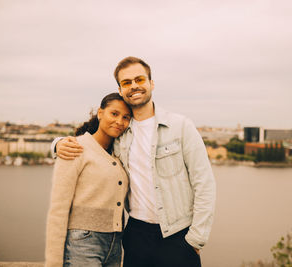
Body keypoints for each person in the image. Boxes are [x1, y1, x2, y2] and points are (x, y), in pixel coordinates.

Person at [54, 57, 216, 267]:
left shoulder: (180, 127)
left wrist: (195, 239)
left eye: (139, 79)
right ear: (120, 89)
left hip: (178, 236)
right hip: (136, 237)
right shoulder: (119, 132)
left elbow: (204, 183)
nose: (134, 86)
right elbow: (90, 143)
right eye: (126, 82)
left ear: (151, 83)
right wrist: (57, 144)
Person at [45, 93, 132, 267]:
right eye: (114, 114)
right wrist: (53, 263)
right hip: (83, 243)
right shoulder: (74, 148)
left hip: (115, 244)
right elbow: (58, 209)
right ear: (100, 113)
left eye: (126, 117)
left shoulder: (120, 153)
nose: (120, 121)